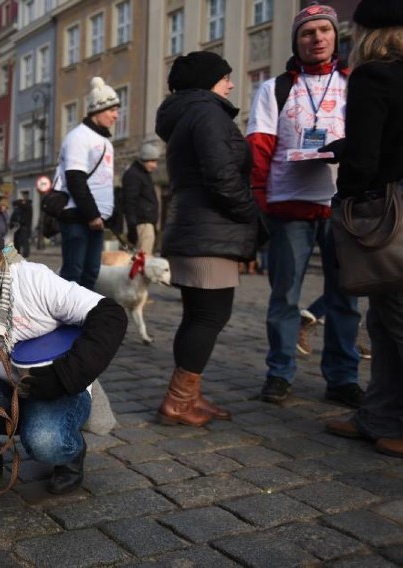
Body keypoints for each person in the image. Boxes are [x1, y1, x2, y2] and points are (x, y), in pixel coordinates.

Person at [0, 201, 126, 495]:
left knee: (46, 440)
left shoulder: (32, 279)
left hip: (53, 385)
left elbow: (110, 314)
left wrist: (64, 377)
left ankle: (70, 454)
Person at [246, 3, 363, 407]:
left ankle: (343, 377)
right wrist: (261, 196)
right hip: (288, 205)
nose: (316, 39)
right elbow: (259, 144)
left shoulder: (355, 82)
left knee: (346, 297)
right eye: (308, 33)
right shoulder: (274, 88)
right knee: (285, 297)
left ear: (335, 36)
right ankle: (279, 373)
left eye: (323, 31)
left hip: (342, 205)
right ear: (297, 41)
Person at [154, 51, 261, 426]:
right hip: (209, 231)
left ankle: (188, 395)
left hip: (195, 228)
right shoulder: (208, 113)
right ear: (210, 81)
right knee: (209, 316)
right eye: (227, 77)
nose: (231, 85)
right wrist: (253, 214)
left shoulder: (190, 114)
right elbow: (222, 177)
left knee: (198, 315)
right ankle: (179, 401)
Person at [324, 0, 403, 458]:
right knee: (383, 320)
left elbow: (366, 159)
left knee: (396, 318)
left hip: (390, 213)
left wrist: (346, 197)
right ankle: (379, 416)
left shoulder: (375, 76)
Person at [55, 77, 119, 290]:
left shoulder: (105, 142)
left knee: (91, 273)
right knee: (74, 274)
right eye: (112, 110)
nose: (116, 115)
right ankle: (65, 322)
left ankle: (83, 321)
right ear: (97, 109)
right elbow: (75, 179)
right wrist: (92, 214)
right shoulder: (79, 137)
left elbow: (104, 183)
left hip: (96, 220)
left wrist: (107, 216)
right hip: (78, 218)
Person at [121, 142, 161, 255]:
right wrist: (132, 226)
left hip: (146, 223)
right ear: (144, 160)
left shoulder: (142, 174)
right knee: (142, 260)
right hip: (142, 224)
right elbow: (129, 201)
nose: (155, 165)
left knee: (143, 259)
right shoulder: (134, 175)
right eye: (152, 161)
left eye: (156, 161)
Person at [11, 191, 33, 258]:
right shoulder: (19, 205)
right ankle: (17, 255)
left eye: (24, 196)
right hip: (18, 226)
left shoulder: (28, 205)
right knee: (16, 241)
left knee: (24, 242)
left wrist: (20, 203)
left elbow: (24, 207)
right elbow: (14, 203)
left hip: (24, 226)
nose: (23, 198)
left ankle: (26, 256)